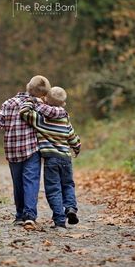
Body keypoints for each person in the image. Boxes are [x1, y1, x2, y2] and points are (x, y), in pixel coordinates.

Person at [0, 76, 67, 229]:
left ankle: (19, 216)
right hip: (32, 150)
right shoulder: (38, 105)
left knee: (18, 184)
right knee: (31, 181)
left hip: (12, 150)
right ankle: (30, 216)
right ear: (42, 94)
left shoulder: (8, 103)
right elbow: (54, 118)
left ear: (27, 87)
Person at [20, 86, 81, 229]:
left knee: (54, 189)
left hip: (50, 160)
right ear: (63, 104)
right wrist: (77, 148)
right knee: (68, 185)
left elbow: (24, 112)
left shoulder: (42, 119)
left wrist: (32, 100)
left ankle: (60, 220)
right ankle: (71, 208)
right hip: (66, 158)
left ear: (46, 99)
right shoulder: (65, 118)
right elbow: (72, 137)